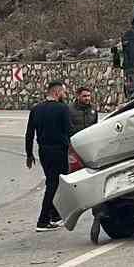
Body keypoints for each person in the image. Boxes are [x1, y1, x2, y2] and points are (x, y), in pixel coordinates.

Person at [26, 80, 76, 232]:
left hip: (44, 151)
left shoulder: (36, 109)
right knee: (54, 184)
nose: (65, 95)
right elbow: (69, 131)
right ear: (57, 92)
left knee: (53, 182)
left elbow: (29, 133)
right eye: (64, 92)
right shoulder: (62, 108)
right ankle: (43, 220)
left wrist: (29, 154)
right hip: (59, 151)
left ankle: (54, 216)